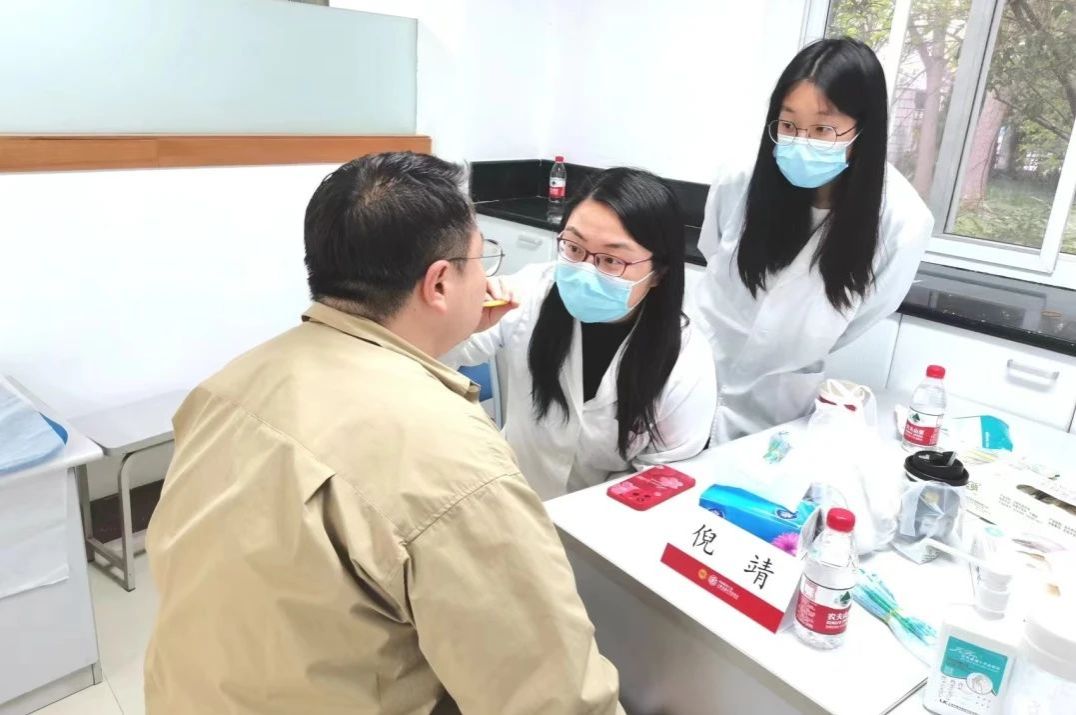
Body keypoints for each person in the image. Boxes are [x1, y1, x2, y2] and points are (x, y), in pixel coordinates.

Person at [144, 152, 625, 715]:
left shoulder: (229, 385)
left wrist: (444, 331)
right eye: (480, 259)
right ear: (439, 282)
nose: (487, 279)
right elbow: (552, 696)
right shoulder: (453, 461)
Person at [693, 37, 932, 443]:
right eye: (788, 125)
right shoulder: (741, 179)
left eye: (823, 128)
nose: (801, 141)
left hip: (775, 409)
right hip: (693, 376)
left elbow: (861, 317)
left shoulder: (901, 222)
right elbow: (712, 252)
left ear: (864, 131)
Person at [446, 168, 716, 500]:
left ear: (659, 272)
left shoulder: (686, 362)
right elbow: (436, 354)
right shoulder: (530, 291)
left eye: (611, 259)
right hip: (514, 499)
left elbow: (662, 480)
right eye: (574, 248)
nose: (585, 270)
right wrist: (462, 320)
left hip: (604, 522)